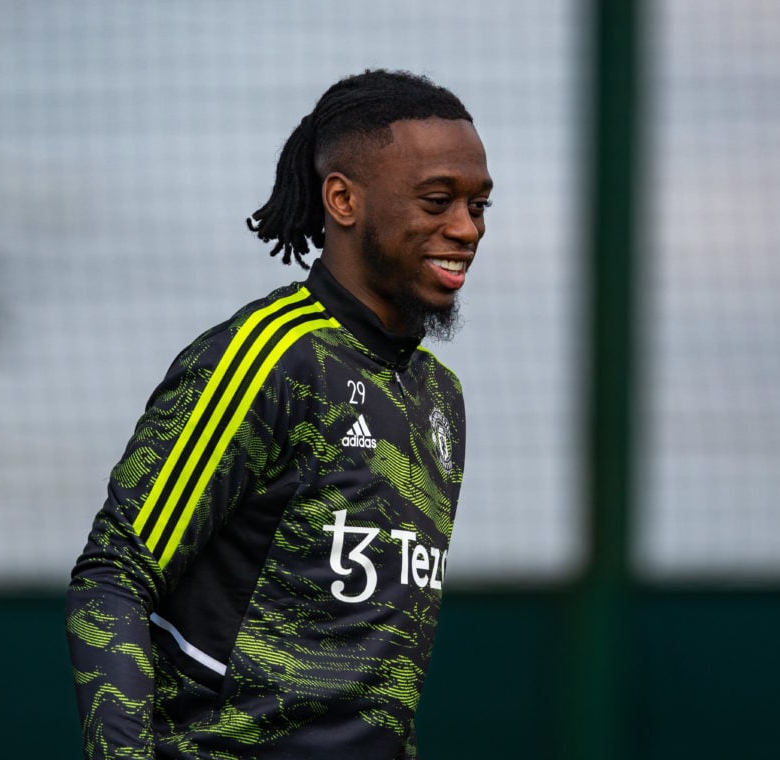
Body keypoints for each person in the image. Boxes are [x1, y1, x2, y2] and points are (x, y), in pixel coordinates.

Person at [66, 68, 493, 759]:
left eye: (480, 207)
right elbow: (113, 576)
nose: (466, 228)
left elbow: (374, 685)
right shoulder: (271, 359)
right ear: (342, 200)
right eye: (438, 200)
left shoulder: (437, 396)